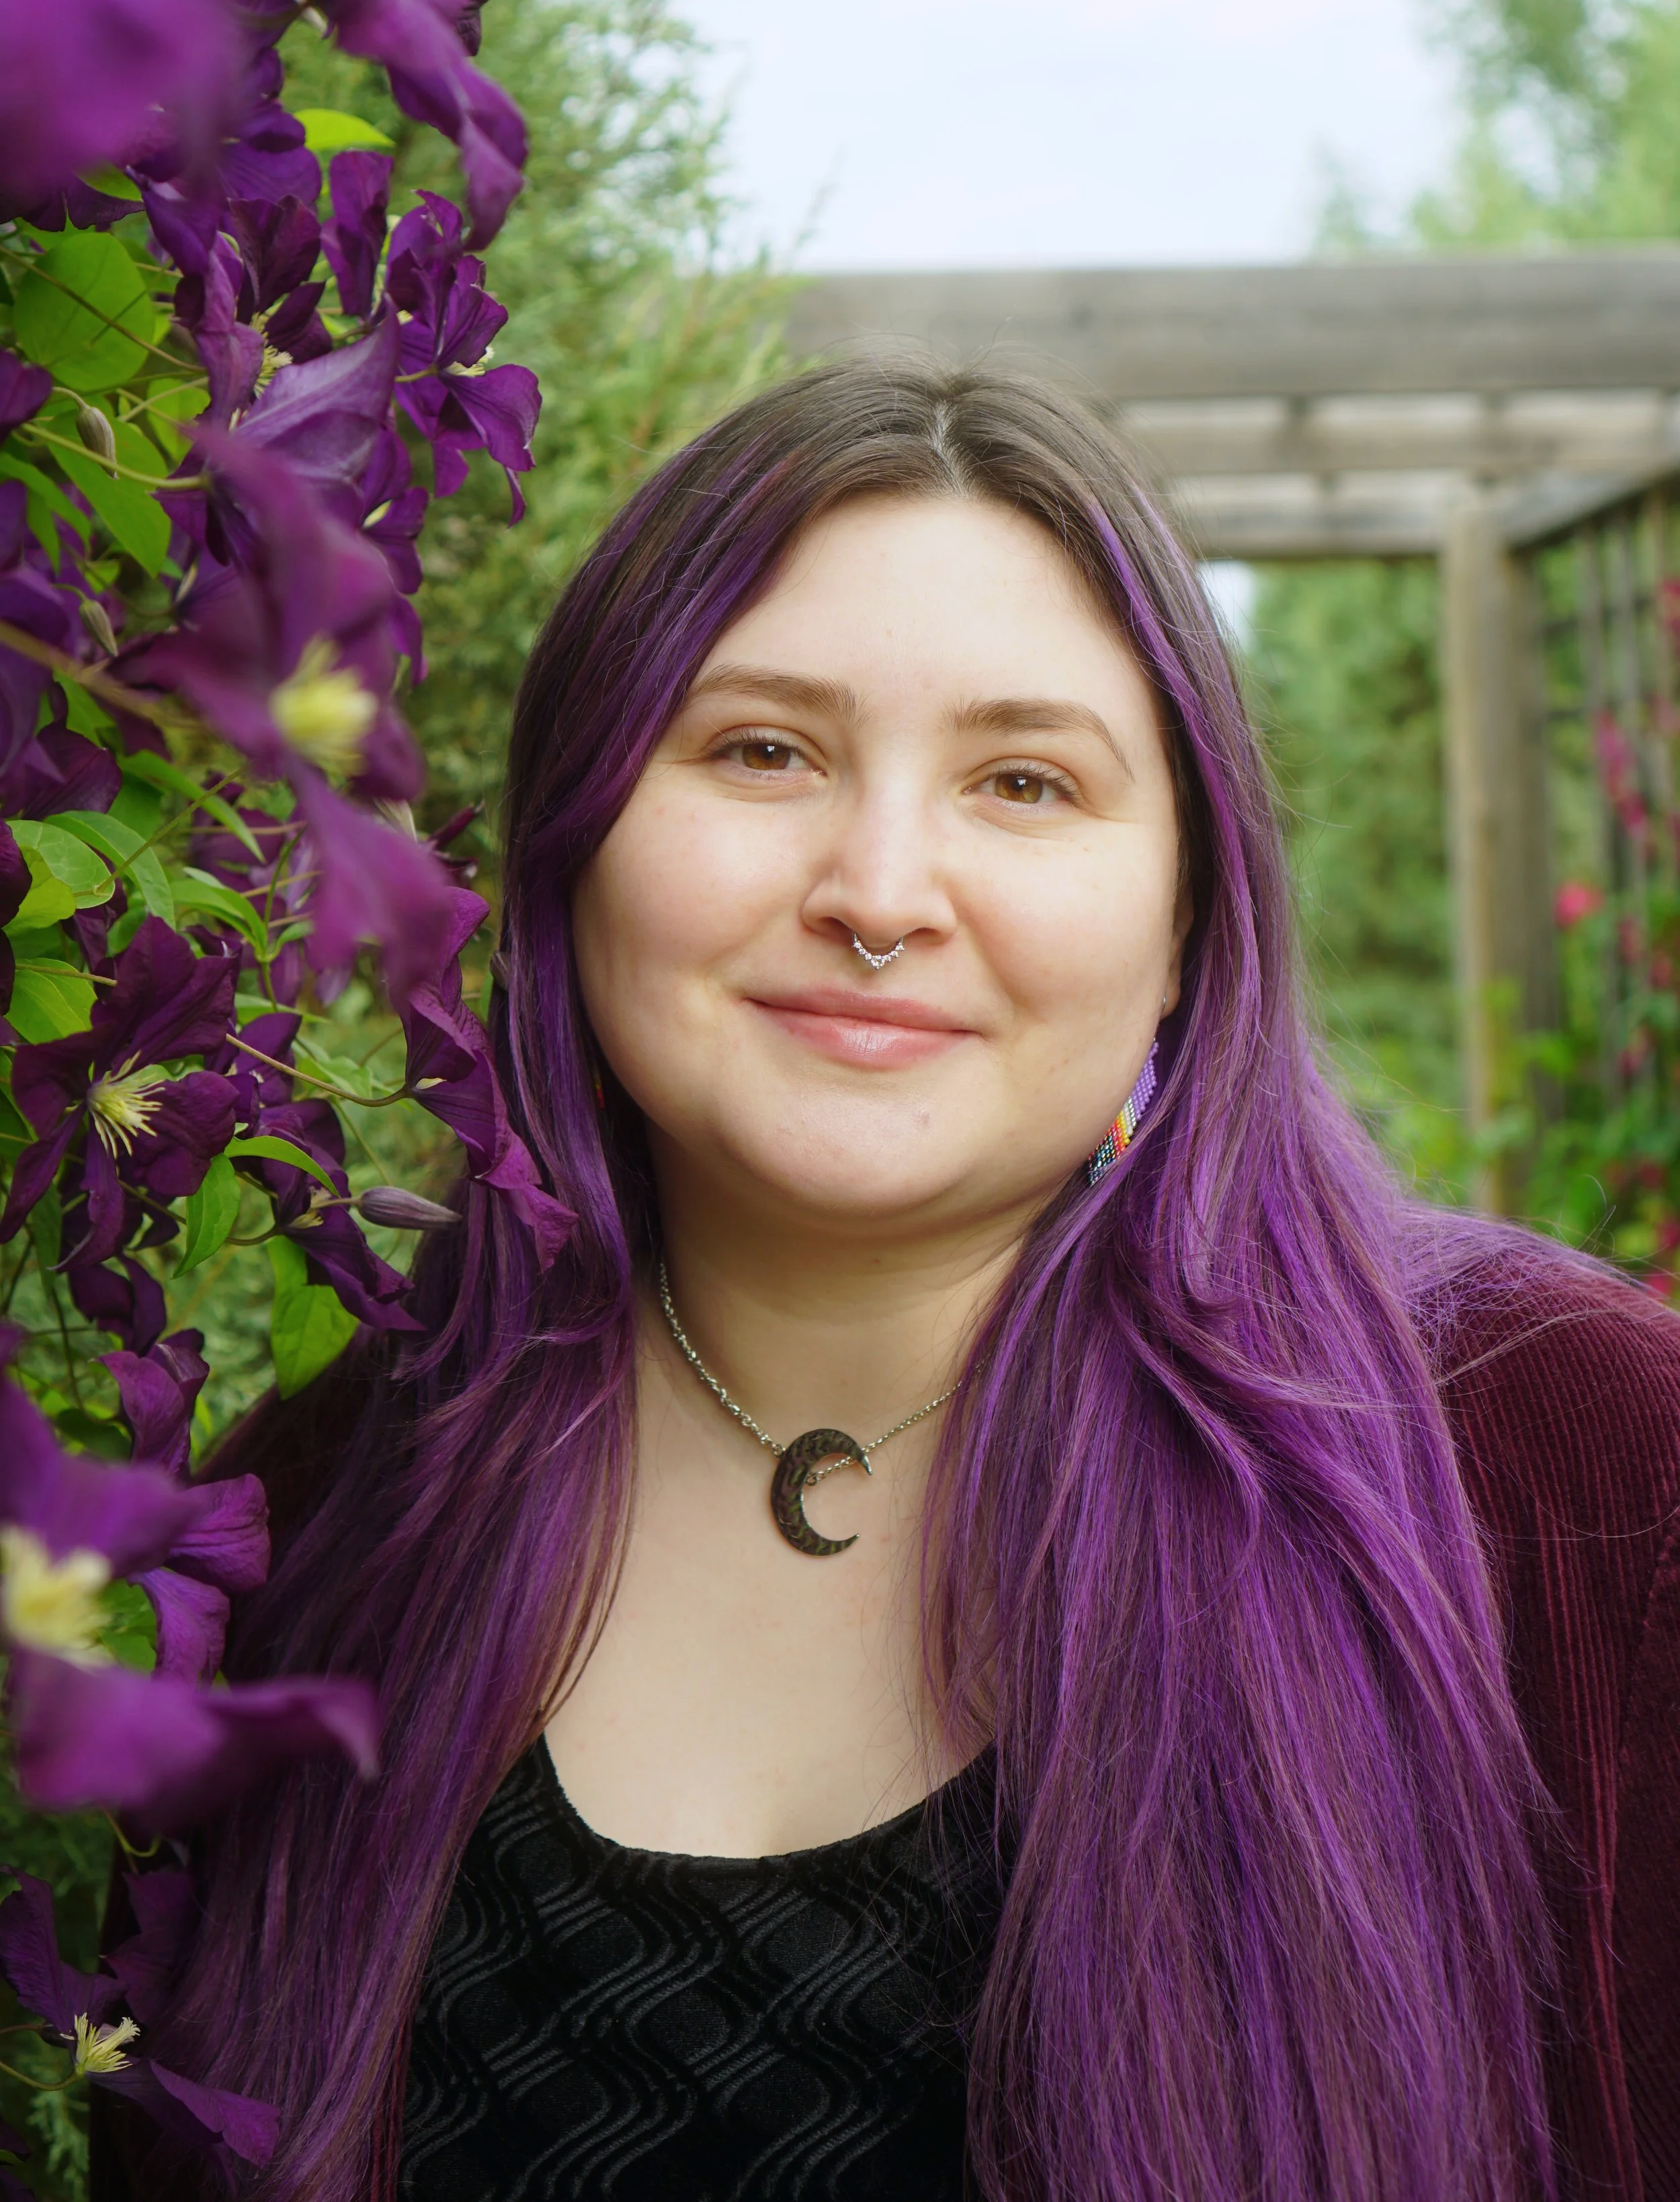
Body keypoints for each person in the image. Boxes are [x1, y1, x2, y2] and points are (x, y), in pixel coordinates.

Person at [99, 365, 1679, 2202]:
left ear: (1187, 917)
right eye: (761, 748)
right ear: (572, 838)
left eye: (1025, 779)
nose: (878, 887)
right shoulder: (310, 1517)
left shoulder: (1577, 1469)